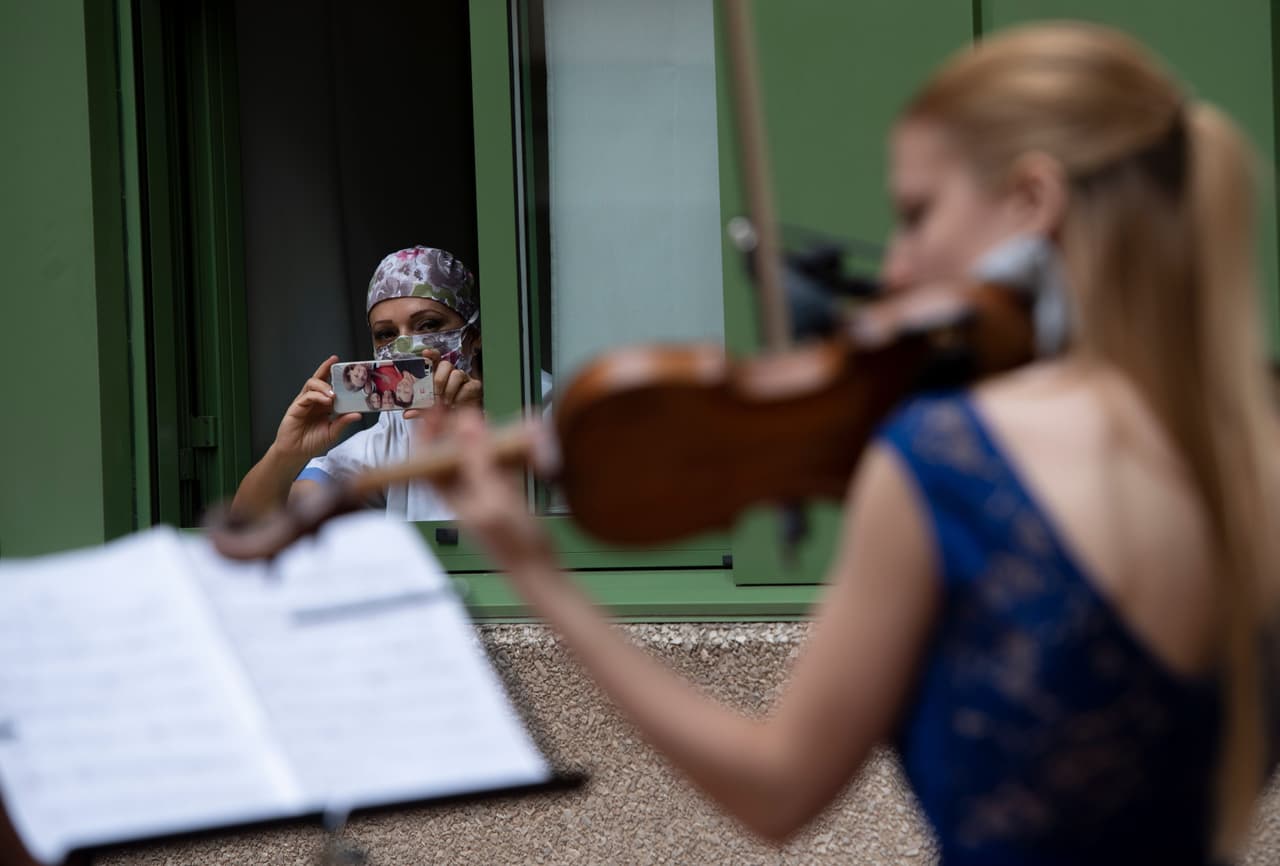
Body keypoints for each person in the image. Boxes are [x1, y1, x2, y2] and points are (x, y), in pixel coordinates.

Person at [429, 23, 1280, 865]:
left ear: (1032, 201)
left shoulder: (950, 458)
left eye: (917, 213)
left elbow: (777, 791)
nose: (899, 267)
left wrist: (539, 575)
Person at [231, 245, 483, 520]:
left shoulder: (533, 399)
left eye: (428, 325)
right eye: (386, 333)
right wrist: (285, 454)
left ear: (476, 334)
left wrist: (476, 421)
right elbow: (250, 521)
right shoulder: (398, 429)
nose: (404, 345)